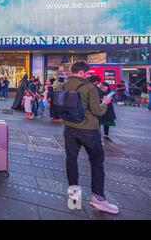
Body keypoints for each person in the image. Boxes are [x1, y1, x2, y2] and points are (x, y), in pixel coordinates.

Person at [62, 61, 118, 214]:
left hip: (69, 128)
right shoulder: (89, 87)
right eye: (86, 73)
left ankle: (74, 199)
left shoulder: (62, 86)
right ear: (81, 73)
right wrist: (105, 103)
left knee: (71, 160)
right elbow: (97, 111)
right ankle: (98, 199)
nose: (87, 76)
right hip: (88, 130)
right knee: (96, 162)